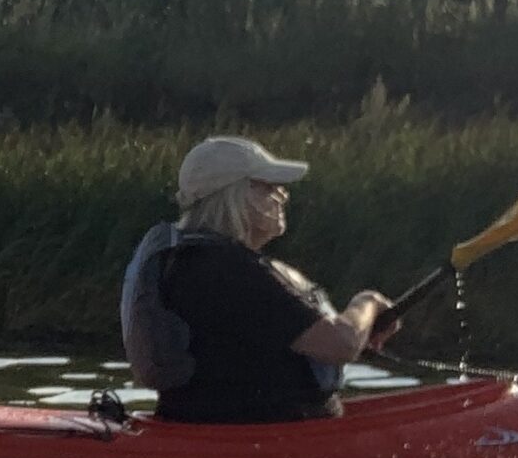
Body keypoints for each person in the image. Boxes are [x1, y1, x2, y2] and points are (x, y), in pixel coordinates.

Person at [120, 136, 395, 424]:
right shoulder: (227, 271)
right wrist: (369, 302)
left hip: (207, 422)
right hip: (257, 435)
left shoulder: (191, 262)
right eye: (269, 187)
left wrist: (363, 329)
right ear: (234, 194)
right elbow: (341, 343)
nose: (283, 195)